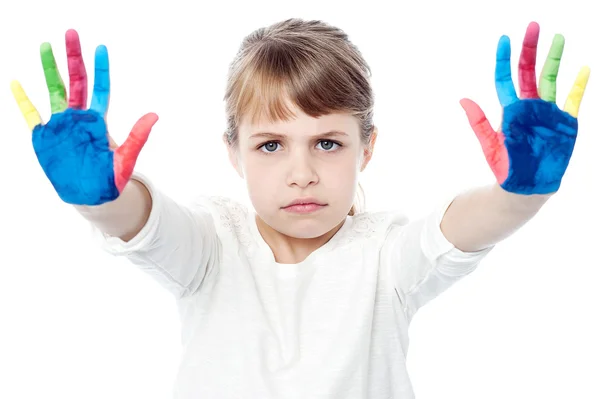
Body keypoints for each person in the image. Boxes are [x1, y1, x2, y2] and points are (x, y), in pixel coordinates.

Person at [10, 18, 589, 399]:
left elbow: (464, 228)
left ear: (368, 147)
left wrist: (520, 192)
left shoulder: (386, 257)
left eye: (328, 143)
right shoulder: (213, 245)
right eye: (270, 145)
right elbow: (144, 226)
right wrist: (102, 199)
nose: (302, 172)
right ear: (233, 154)